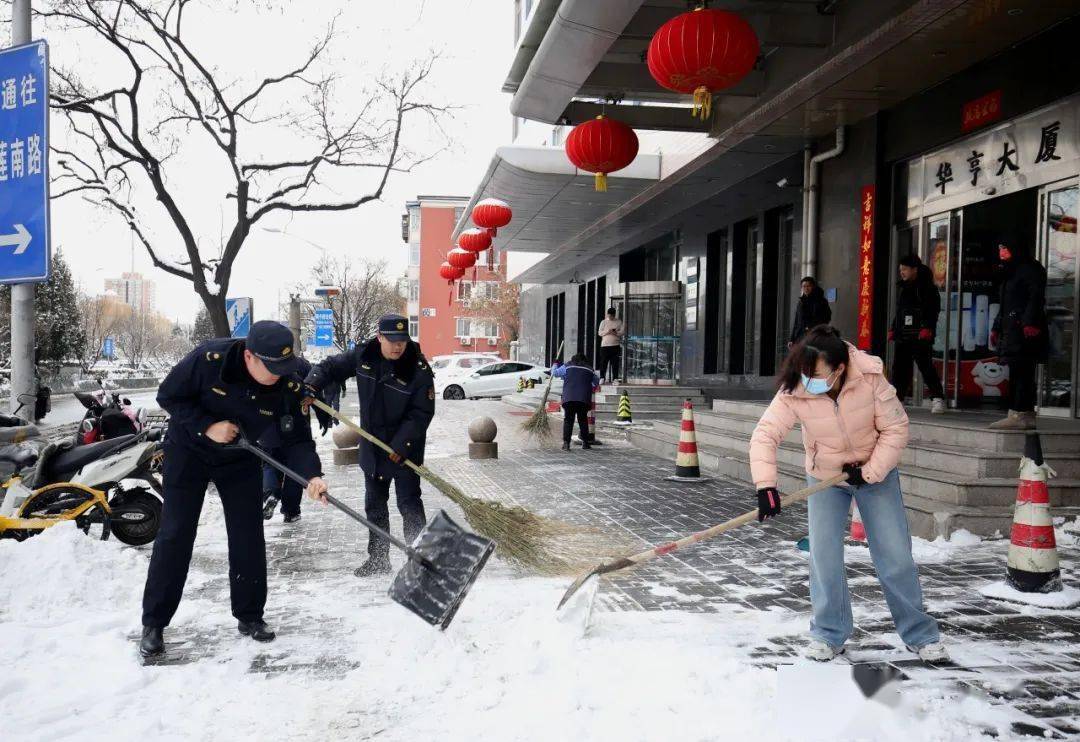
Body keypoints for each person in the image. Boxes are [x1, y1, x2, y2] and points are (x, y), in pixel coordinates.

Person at [748, 326, 947, 663]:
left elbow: (896, 427)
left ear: (840, 369)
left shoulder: (869, 377)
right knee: (823, 556)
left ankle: (920, 634)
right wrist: (765, 485)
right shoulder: (796, 388)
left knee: (895, 556)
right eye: (805, 374)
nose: (810, 381)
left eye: (818, 375)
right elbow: (765, 434)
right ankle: (828, 633)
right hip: (825, 476)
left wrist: (869, 472)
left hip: (876, 473)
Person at [140, 321, 328, 659]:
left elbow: (298, 438)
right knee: (176, 534)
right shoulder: (208, 359)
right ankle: (154, 622)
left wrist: (312, 477)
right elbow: (168, 395)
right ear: (250, 356)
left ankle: (250, 615)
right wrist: (207, 426)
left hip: (241, 455)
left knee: (247, 535)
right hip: (188, 451)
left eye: (283, 368)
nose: (278, 375)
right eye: (271, 368)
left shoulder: (286, 382)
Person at [304, 314, 435, 577]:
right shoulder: (363, 356)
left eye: (402, 341)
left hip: (404, 450)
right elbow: (330, 367)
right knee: (374, 506)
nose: (398, 347)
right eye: (392, 341)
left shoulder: (418, 369)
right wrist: (310, 385)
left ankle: (420, 561)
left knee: (409, 504)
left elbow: (422, 412)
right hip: (373, 448)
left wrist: (403, 445)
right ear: (380, 338)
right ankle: (378, 560)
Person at [990, 240, 1048, 430]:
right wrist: (996, 327)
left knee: (1023, 368)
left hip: (1024, 328)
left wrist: (1029, 322)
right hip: (1011, 327)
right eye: (1000, 248)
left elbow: (1035, 297)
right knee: (1016, 368)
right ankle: (1019, 413)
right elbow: (1005, 304)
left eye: (1005, 248)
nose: (1001, 252)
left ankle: (1020, 412)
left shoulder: (1031, 269)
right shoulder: (1010, 272)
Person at [888, 255, 946, 414]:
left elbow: (932, 310)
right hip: (903, 334)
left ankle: (937, 398)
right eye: (900, 270)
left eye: (905, 269)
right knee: (899, 368)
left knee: (925, 366)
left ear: (915, 269)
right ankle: (898, 399)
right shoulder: (903, 288)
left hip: (920, 334)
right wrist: (894, 328)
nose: (902, 272)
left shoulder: (928, 288)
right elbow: (900, 312)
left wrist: (927, 328)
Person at [553, 354, 600, 451]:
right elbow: (596, 382)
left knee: (568, 420)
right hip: (583, 399)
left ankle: (566, 444)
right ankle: (585, 443)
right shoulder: (590, 369)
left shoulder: (567, 366)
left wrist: (555, 364)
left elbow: (555, 373)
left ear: (572, 359)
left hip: (569, 398)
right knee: (583, 420)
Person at [788, 277, 831, 348]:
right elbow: (796, 322)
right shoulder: (801, 302)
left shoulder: (821, 301)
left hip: (815, 336)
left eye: (808, 286)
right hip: (800, 337)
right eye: (803, 286)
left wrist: (811, 327)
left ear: (813, 286)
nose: (806, 288)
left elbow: (826, 317)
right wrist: (792, 339)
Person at [596, 308, 624, 383]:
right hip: (605, 346)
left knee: (615, 362)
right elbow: (600, 333)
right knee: (603, 362)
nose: (611, 317)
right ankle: (602, 377)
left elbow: (622, 332)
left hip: (615, 345)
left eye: (612, 315)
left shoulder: (618, 322)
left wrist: (615, 333)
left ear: (614, 314)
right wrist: (607, 331)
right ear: (607, 314)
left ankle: (615, 378)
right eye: (610, 315)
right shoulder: (603, 322)